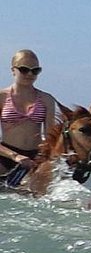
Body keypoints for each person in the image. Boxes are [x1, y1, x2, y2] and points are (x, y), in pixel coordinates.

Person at [1, 49, 60, 184]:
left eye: (35, 70)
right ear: (13, 70)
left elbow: (51, 136)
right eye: (24, 69)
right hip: (6, 155)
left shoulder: (46, 99)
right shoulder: (1, 97)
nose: (30, 74)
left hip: (35, 156)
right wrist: (15, 156)